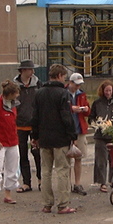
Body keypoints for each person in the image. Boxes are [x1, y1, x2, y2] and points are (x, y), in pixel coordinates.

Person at [31, 64, 78, 214]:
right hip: (60, 138)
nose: (64, 79)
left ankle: (46, 204)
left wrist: (35, 136)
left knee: (45, 171)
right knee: (62, 170)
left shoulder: (39, 93)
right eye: (64, 76)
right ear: (59, 76)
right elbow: (66, 117)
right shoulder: (63, 94)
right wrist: (72, 135)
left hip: (44, 138)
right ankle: (63, 204)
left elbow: (35, 117)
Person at [88, 80, 113, 192]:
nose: (108, 93)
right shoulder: (97, 103)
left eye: (110, 90)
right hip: (100, 135)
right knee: (101, 160)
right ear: (102, 91)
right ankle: (102, 182)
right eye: (106, 90)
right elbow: (91, 118)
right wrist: (97, 125)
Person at [13, 59, 42, 193]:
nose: (33, 72)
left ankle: (41, 180)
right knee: (22, 153)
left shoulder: (38, 85)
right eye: (30, 69)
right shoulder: (14, 86)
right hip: (19, 125)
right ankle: (26, 182)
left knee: (37, 152)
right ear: (23, 70)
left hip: (35, 124)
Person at [67, 72, 90, 196]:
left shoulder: (81, 94)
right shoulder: (64, 93)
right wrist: (72, 109)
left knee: (78, 157)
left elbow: (87, 111)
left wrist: (85, 109)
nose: (77, 87)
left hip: (79, 128)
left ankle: (77, 183)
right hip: (67, 130)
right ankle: (67, 183)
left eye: (79, 85)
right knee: (67, 158)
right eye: (76, 85)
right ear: (70, 83)